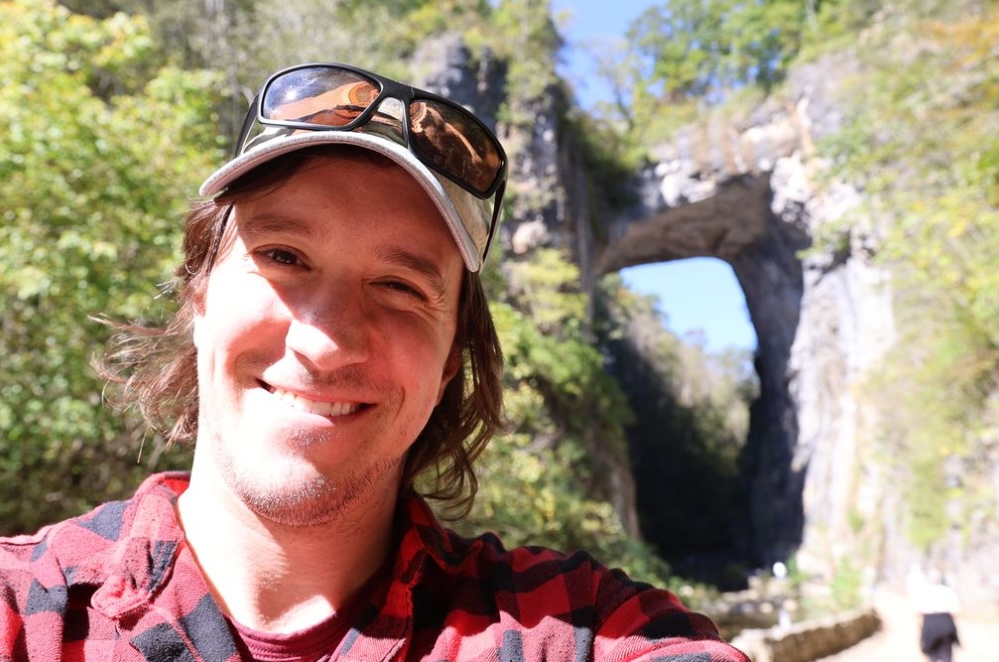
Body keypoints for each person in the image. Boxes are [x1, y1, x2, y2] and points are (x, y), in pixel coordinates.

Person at [0, 62, 749, 661]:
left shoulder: (575, 632)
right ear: (198, 298)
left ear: (452, 355)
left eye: (398, 286)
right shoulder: (27, 613)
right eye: (283, 256)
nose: (325, 340)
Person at [910, 568, 961, 662]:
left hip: (930, 625)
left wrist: (921, 633)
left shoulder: (923, 592)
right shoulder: (948, 592)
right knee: (946, 656)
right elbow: (955, 612)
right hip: (946, 625)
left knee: (932, 656)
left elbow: (917, 613)